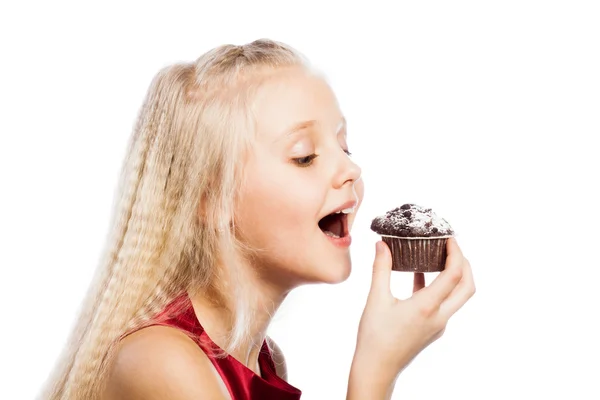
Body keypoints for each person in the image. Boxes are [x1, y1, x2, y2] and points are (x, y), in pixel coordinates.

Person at [40, 38, 475, 400]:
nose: (351, 170)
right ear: (212, 199)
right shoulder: (160, 361)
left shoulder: (264, 360)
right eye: (304, 157)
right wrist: (375, 372)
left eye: (344, 147)